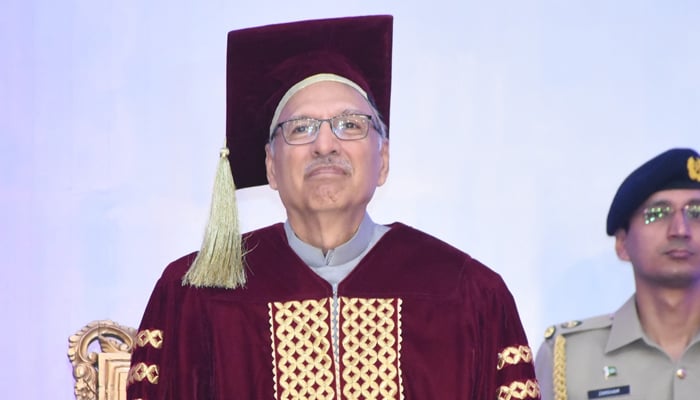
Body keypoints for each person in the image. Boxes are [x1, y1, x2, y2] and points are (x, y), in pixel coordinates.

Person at [127, 15, 540, 400]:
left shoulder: (469, 293)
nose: (325, 145)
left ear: (384, 160)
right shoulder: (192, 296)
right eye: (301, 128)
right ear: (271, 166)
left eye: (351, 124)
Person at [534, 148, 700, 400]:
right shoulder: (570, 357)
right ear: (623, 244)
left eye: (696, 212)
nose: (680, 229)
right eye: (658, 213)